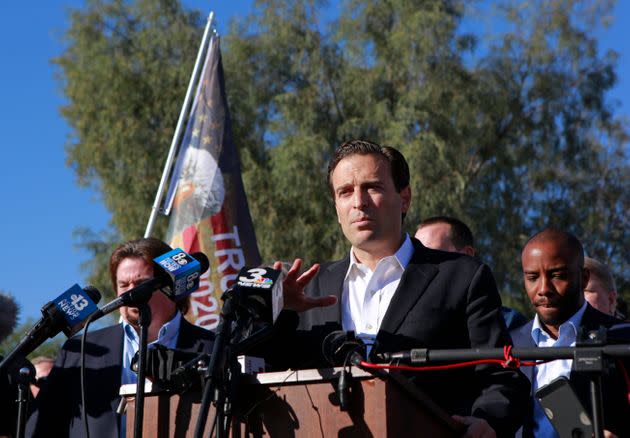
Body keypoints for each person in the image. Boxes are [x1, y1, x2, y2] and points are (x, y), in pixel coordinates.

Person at [274, 140, 530, 437]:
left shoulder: (462, 277)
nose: (359, 202)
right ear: (336, 207)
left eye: (373, 187)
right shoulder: (310, 288)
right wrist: (280, 314)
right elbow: (267, 372)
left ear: (404, 198)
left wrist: (489, 422)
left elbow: (502, 376)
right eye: (345, 192)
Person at [26, 237, 215, 438]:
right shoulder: (80, 350)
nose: (133, 292)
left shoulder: (213, 348)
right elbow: (41, 428)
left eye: (142, 283)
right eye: (124, 285)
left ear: (171, 284)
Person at [510, 229, 630, 437]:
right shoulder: (508, 344)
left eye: (557, 275)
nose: (543, 288)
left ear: (583, 279)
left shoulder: (622, 337)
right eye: (532, 277)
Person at [415, 215, 528, 329]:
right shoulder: (404, 322)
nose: (421, 266)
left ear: (467, 255)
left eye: (433, 255)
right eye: (415, 257)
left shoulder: (510, 326)